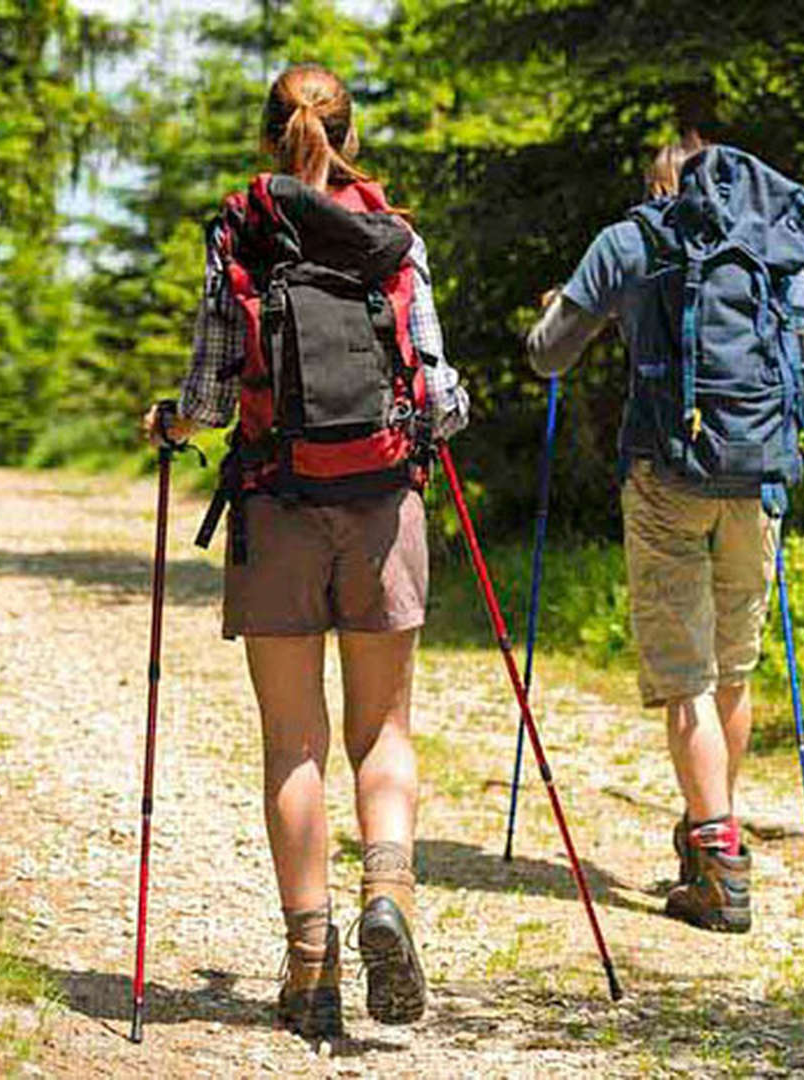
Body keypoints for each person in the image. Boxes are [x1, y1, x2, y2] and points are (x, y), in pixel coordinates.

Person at [142, 63, 469, 1040]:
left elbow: (209, 393)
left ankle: (311, 966)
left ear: (266, 139)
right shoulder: (395, 240)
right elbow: (439, 397)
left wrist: (171, 423)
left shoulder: (238, 233)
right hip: (380, 511)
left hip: (276, 506)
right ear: (351, 139)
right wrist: (440, 420)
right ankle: (388, 897)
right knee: (383, 733)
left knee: (295, 744)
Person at [526, 138, 804, 933]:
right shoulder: (772, 243)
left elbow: (548, 357)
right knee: (732, 666)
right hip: (758, 477)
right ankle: (712, 828)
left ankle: (718, 859)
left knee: (686, 676)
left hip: (666, 473)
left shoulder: (629, 240)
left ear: (656, 184)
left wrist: (555, 311)